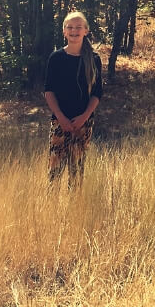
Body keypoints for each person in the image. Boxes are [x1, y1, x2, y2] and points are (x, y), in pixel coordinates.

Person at [43, 11, 103, 186]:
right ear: (64, 31)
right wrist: (61, 117)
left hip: (83, 122)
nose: (74, 31)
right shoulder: (56, 58)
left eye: (78, 27)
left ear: (86, 31)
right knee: (54, 171)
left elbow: (97, 93)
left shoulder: (93, 59)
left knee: (76, 170)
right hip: (59, 121)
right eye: (70, 27)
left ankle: (75, 207)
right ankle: (50, 208)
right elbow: (49, 91)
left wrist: (84, 117)